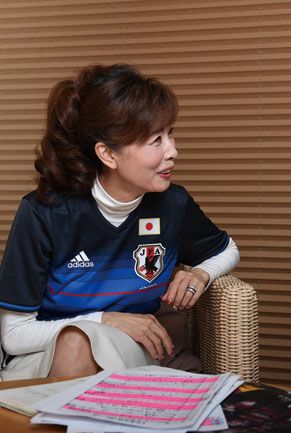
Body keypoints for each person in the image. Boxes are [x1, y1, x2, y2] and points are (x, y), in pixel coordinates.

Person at [0, 64, 240, 380]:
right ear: (108, 154)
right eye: (156, 140)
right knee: (77, 343)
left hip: (134, 353)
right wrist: (103, 321)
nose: (173, 151)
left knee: (82, 343)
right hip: (43, 360)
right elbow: (14, 336)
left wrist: (201, 273)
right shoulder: (44, 213)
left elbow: (227, 249)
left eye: (170, 134)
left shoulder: (172, 204)